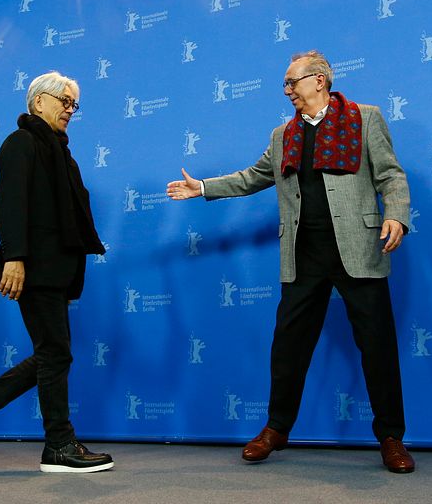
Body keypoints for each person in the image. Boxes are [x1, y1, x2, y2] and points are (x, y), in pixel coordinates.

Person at [166, 51, 415, 473]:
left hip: (358, 249)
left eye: (291, 82)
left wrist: (396, 214)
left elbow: (390, 175)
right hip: (303, 255)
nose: (286, 91)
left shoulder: (366, 118)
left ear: (319, 80)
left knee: (378, 348)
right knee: (288, 348)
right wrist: (204, 187)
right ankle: (277, 429)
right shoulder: (284, 135)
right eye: (285, 84)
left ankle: (391, 437)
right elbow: (253, 176)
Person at [0, 71, 113, 473]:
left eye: (74, 104)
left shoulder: (60, 152)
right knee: (55, 353)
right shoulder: (21, 143)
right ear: (39, 102)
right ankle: (53, 443)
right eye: (64, 101)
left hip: (56, 268)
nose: (70, 110)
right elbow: (11, 202)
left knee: (54, 354)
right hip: (34, 266)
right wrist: (15, 257)